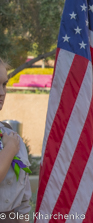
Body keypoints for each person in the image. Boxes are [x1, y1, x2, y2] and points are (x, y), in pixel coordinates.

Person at [0, 58, 31, 223]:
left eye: (4, 85)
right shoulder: (12, 143)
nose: (2, 93)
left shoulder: (11, 136)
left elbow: (24, 200)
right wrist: (9, 150)